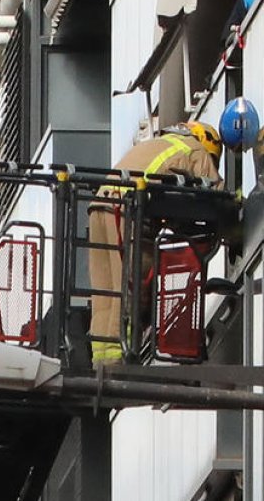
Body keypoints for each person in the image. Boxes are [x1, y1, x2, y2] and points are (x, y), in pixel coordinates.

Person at [87, 122, 223, 366]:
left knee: (105, 292)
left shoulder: (155, 144)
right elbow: (217, 195)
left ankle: (102, 361)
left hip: (99, 204)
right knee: (128, 289)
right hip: (124, 209)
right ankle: (121, 362)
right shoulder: (194, 149)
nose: (211, 162)